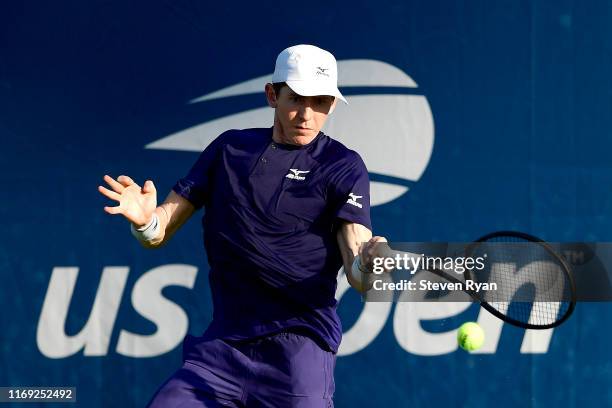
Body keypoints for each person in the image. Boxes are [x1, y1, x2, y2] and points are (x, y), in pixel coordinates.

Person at [98, 44, 388, 408]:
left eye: (321, 102)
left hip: (298, 351)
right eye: (296, 99)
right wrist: (145, 221)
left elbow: (358, 266)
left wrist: (372, 264)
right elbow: (158, 233)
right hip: (222, 348)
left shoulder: (343, 165)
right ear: (272, 95)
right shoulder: (229, 150)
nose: (307, 115)